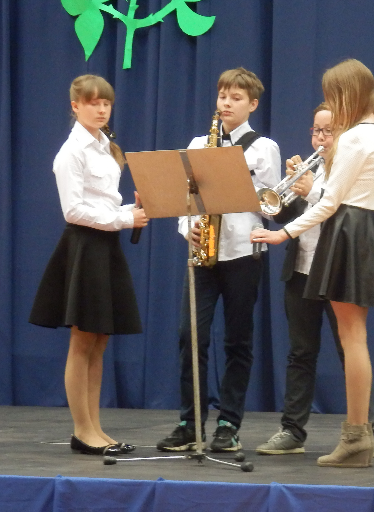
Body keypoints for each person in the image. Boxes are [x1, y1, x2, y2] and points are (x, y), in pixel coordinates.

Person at [252, 59, 374, 468]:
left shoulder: (353, 139)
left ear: (347, 94)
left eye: (334, 95)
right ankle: (359, 435)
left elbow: (330, 203)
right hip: (368, 229)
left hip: (348, 231)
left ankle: (356, 438)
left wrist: (282, 233)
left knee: (351, 341)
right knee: (355, 339)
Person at [156, 68, 281, 453]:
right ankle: (189, 423)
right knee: (189, 336)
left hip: (243, 251)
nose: (226, 103)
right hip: (203, 251)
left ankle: (229, 424)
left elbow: (272, 206)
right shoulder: (199, 144)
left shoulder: (264, 148)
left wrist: (244, 189)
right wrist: (186, 228)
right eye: (223, 96)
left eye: (236, 98)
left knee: (237, 340)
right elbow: (185, 199)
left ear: (252, 104)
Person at [29, 74, 149, 456]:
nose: (101, 109)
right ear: (75, 106)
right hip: (83, 247)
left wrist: (131, 210)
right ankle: (82, 431)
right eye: (93, 103)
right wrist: (124, 219)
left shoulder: (106, 147)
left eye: (106, 103)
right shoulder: (71, 152)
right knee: (82, 341)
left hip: (106, 246)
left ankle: (96, 427)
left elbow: (104, 203)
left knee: (99, 340)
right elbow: (74, 210)